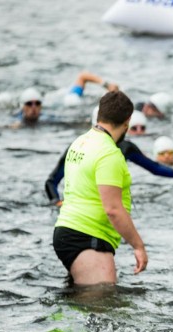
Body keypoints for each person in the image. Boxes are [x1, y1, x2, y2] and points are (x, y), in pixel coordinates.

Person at [52, 90, 147, 286]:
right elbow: (113, 209)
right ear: (127, 121)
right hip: (88, 238)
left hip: (68, 230)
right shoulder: (108, 153)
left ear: (100, 114)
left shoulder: (80, 142)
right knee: (103, 305)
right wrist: (138, 246)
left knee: (80, 304)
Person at [45, 109, 173, 206]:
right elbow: (51, 182)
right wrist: (58, 203)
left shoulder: (125, 147)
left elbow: (154, 168)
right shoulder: (78, 146)